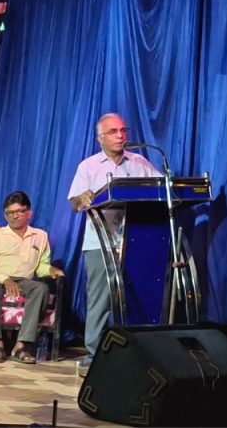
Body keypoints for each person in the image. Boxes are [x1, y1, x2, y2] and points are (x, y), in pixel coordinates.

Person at [68, 113, 160, 376]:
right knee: (100, 298)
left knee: (136, 296)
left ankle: (136, 352)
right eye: (113, 132)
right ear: (100, 138)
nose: (120, 136)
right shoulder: (88, 166)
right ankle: (94, 354)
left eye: (123, 131)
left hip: (136, 241)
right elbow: (74, 202)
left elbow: (161, 189)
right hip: (100, 242)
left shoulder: (140, 162)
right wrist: (83, 198)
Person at [0, 191, 64, 364]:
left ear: (29, 213)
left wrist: (50, 269)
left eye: (19, 211)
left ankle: (21, 345)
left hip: (24, 280)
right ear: (5, 215)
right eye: (10, 212)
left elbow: (40, 266)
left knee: (41, 288)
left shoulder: (40, 236)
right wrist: (6, 280)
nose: (15, 216)